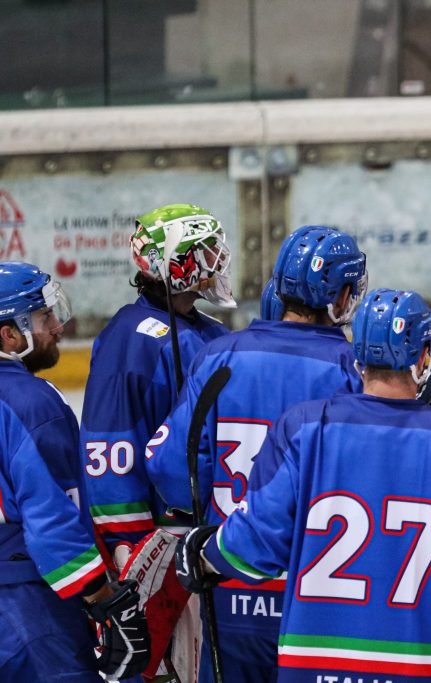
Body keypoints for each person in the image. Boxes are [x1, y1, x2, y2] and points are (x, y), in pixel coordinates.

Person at [173, 287, 431, 683]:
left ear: (358, 353)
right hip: (421, 667)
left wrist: (205, 555)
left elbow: (253, 545)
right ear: (424, 356)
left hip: (314, 666)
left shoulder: (302, 427)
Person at [146, 225, 368, 681]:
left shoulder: (219, 356)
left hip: (228, 585)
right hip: (323, 598)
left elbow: (171, 470)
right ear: (341, 295)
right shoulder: (353, 371)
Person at [80, 204, 235, 679]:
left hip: (199, 537)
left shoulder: (204, 333)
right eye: (206, 250)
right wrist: (129, 551)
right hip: (162, 541)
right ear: (176, 262)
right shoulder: (132, 338)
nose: (219, 258)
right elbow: (109, 452)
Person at [0, 262, 150, 681]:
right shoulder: (32, 404)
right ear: (8, 335)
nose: (58, 327)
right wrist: (102, 596)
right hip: (28, 608)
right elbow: (52, 521)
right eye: (44, 317)